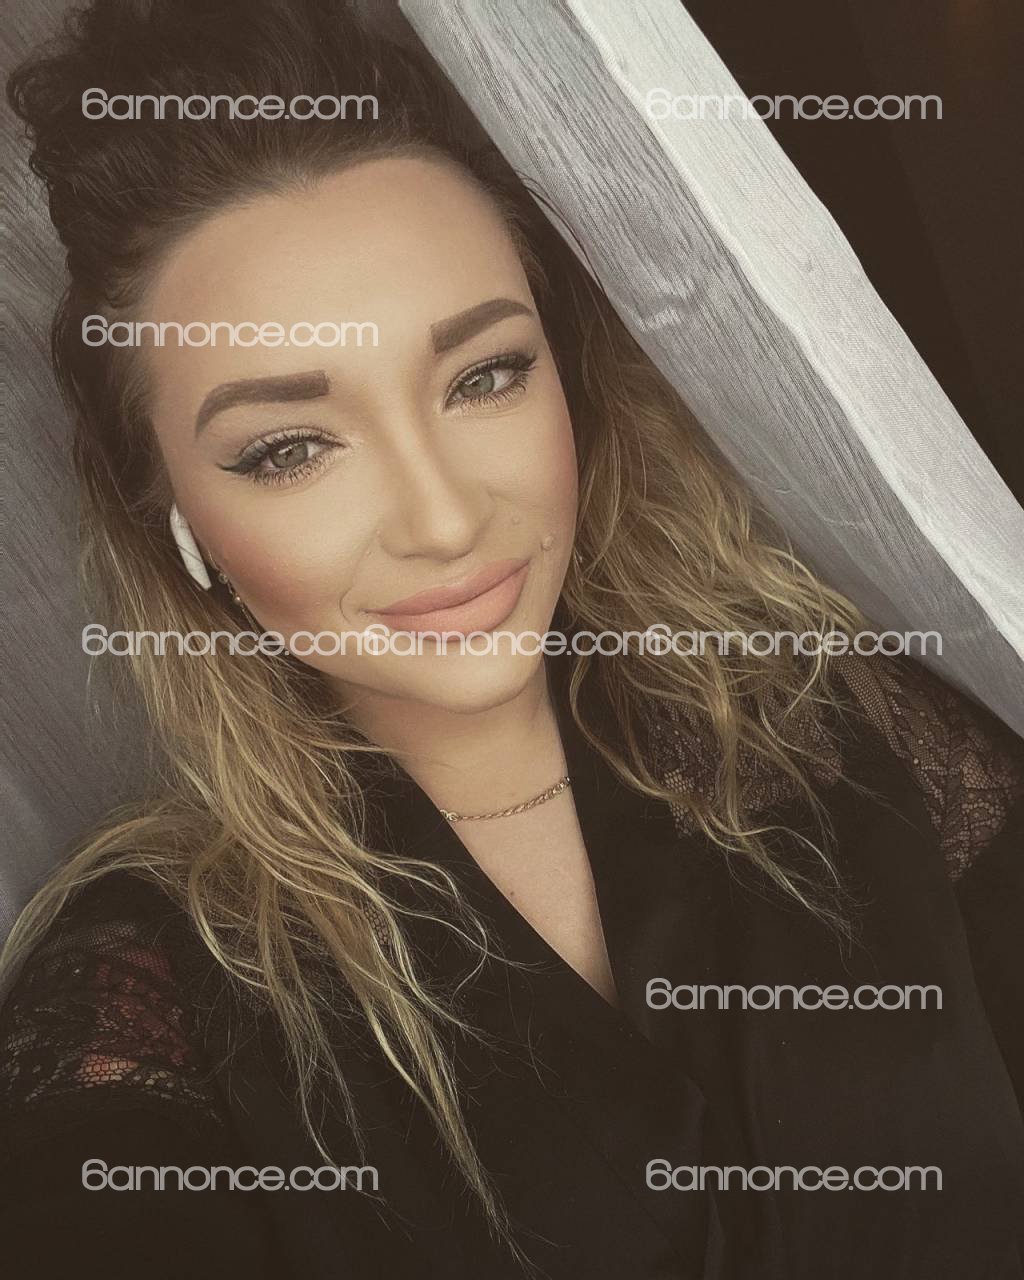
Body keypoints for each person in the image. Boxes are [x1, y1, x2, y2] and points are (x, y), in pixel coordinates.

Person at [1, 2, 1022, 1277]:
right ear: (177, 520)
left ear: (568, 376)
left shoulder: (843, 729)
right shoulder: (150, 995)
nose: (444, 518)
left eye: (483, 375)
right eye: (290, 448)